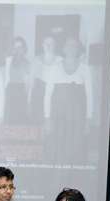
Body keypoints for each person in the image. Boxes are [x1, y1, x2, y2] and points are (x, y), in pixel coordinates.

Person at [43, 37, 93, 165]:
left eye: (74, 46)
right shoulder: (55, 68)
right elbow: (48, 94)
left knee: (75, 148)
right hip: (58, 116)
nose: (71, 48)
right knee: (58, 147)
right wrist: (47, 117)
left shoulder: (85, 69)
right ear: (64, 49)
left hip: (77, 117)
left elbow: (89, 95)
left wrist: (88, 119)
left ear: (78, 49)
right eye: (68, 45)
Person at [3, 36, 30, 125]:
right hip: (10, 91)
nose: (18, 50)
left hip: (21, 92)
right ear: (13, 49)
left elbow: (27, 84)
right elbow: (6, 78)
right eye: (15, 47)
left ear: (24, 49)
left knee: (20, 120)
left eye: (20, 47)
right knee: (9, 120)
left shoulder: (27, 63)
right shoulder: (8, 61)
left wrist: (27, 101)